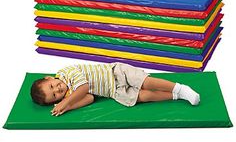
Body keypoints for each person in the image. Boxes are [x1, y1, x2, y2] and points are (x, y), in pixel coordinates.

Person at [30, 62, 200, 116]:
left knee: (144, 82)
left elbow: (84, 87)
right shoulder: (69, 96)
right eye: (55, 95)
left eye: (52, 86)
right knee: (142, 96)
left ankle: (180, 88)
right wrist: (67, 106)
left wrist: (66, 101)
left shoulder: (65, 73)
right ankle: (176, 95)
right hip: (113, 92)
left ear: (49, 78)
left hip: (116, 72)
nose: (58, 90)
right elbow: (89, 98)